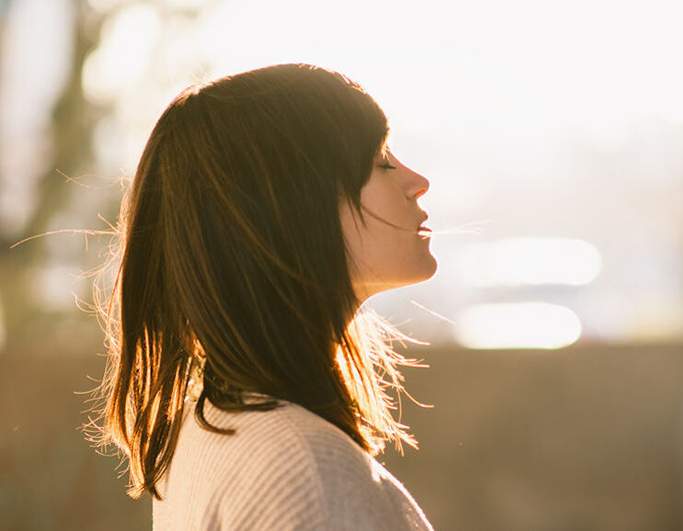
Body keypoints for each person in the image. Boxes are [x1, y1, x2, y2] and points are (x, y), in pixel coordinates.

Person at [85, 63, 437, 530]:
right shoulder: (304, 468)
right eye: (381, 161)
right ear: (293, 207)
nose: (417, 181)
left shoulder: (217, 426)